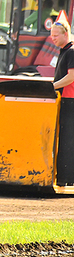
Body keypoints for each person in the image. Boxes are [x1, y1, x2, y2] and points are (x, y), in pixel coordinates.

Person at [51, 19, 74, 186]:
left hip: (70, 99)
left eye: (55, 35)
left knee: (67, 139)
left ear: (65, 34)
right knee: (65, 138)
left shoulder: (71, 52)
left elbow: (71, 77)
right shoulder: (64, 51)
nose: (53, 38)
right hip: (65, 99)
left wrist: (51, 87)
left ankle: (66, 178)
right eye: (51, 36)